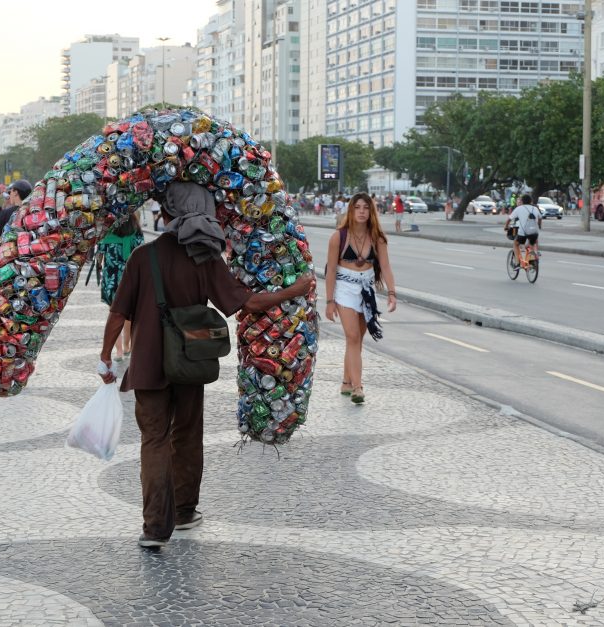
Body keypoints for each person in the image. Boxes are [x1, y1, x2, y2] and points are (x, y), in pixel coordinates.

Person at [98, 182, 314, 549]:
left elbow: (118, 314)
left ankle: (154, 529)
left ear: (166, 215)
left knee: (154, 441)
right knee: (187, 434)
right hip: (190, 361)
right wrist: (293, 291)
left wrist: (105, 358)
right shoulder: (205, 257)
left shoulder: (143, 257)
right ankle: (184, 512)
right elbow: (249, 303)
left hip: (150, 364)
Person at [324, 192, 397, 405]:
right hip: (344, 288)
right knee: (352, 337)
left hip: (366, 289)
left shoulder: (377, 237)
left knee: (357, 340)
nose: (362, 212)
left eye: (366, 208)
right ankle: (358, 387)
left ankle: (347, 381)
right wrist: (329, 302)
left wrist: (392, 293)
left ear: (371, 211)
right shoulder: (338, 236)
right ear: (351, 210)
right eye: (358, 207)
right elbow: (329, 271)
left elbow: (385, 266)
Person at [98, 210, 144, 361]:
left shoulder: (108, 232)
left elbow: (99, 255)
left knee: (114, 313)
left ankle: (117, 351)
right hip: (130, 279)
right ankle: (127, 346)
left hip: (110, 279)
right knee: (129, 314)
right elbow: (141, 252)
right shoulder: (136, 232)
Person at [506, 193, 542, 265]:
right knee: (531, 244)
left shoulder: (519, 208)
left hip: (523, 233)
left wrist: (506, 226)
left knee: (516, 244)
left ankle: (517, 262)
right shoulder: (535, 208)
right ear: (531, 201)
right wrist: (539, 226)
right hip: (534, 232)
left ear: (522, 201)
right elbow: (540, 218)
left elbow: (509, 219)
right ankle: (532, 260)